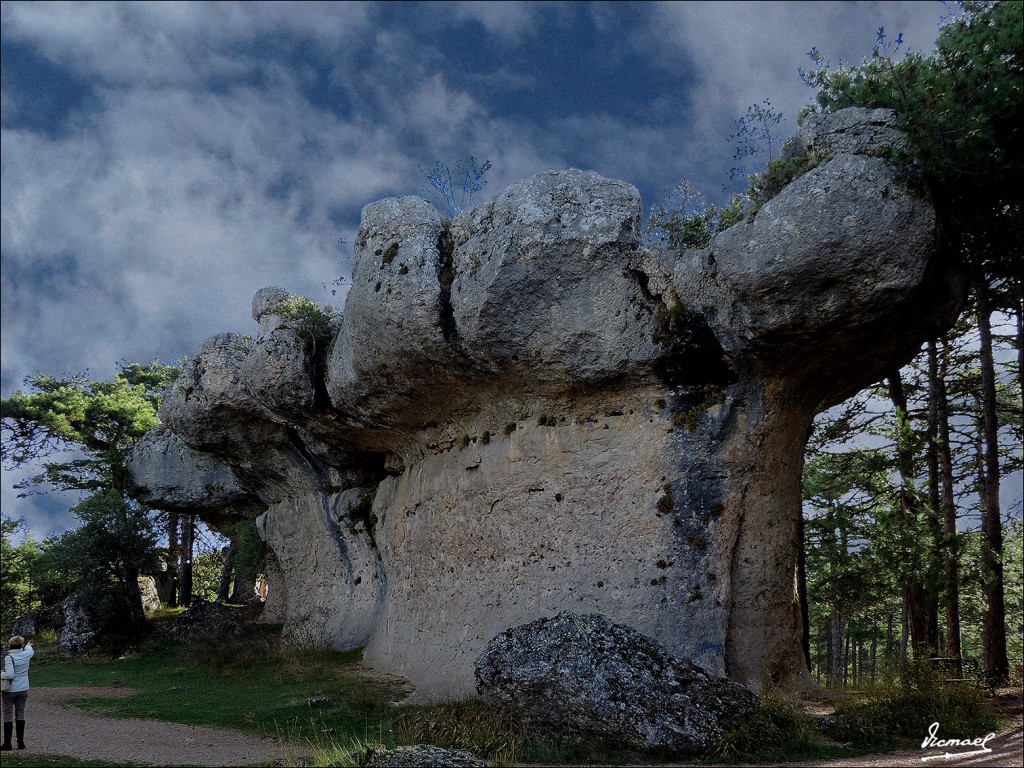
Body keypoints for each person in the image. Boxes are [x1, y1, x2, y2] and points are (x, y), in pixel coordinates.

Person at [0, 635, 33, 750]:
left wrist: (1, 674)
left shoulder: (10, 658)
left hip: (10, 689)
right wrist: (28, 646)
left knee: (7, 713)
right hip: (23, 688)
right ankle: (21, 742)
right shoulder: (26, 654)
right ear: (21, 645)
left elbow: (9, 674)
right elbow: (30, 649)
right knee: (20, 713)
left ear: (10, 645)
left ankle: (7, 744)